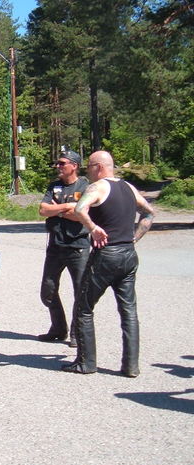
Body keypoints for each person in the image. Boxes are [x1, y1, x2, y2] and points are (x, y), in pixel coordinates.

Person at [62, 151, 155, 377]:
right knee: (128, 311)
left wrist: (93, 228)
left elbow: (79, 208)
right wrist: (134, 237)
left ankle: (86, 362)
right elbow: (149, 213)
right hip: (129, 254)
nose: (88, 172)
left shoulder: (98, 187)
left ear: (99, 167)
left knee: (84, 308)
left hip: (106, 255)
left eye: (89, 167)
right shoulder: (129, 188)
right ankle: (131, 366)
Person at [37, 150, 89, 345]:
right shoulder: (54, 186)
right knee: (47, 290)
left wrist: (56, 210)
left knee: (80, 292)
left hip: (78, 246)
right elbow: (43, 210)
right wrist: (67, 209)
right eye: (57, 163)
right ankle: (59, 329)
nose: (58, 167)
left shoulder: (85, 186)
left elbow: (82, 214)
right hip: (55, 246)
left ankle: (78, 333)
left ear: (74, 166)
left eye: (62, 163)